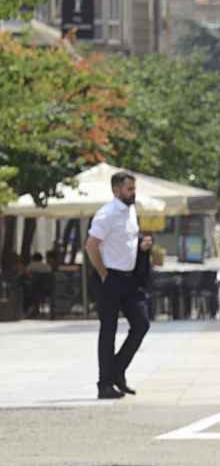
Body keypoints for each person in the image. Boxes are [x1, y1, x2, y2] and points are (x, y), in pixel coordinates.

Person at [85, 170, 149, 400]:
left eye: (134, 188)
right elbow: (91, 245)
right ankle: (104, 384)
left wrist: (142, 244)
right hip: (110, 278)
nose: (133, 192)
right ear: (116, 190)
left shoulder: (131, 212)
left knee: (141, 324)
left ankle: (118, 371)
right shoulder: (107, 214)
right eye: (129, 189)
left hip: (129, 279)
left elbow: (127, 241)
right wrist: (103, 274)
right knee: (108, 330)